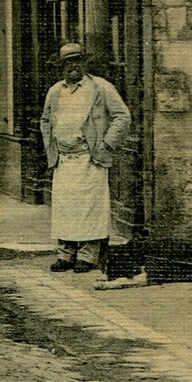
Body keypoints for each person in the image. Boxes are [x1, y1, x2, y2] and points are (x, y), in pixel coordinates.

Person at [41, 42, 132, 272]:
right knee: (65, 209)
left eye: (77, 61)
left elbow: (122, 117)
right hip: (64, 160)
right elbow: (45, 120)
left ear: (84, 63)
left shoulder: (100, 88)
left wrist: (106, 146)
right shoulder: (55, 91)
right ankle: (65, 254)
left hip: (89, 159)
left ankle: (88, 256)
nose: (74, 66)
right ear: (61, 66)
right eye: (68, 62)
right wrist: (52, 150)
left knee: (90, 208)